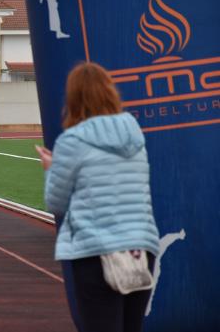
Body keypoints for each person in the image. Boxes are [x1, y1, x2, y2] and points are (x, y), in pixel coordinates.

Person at [35, 62, 160, 332]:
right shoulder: (134, 136)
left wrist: (50, 169)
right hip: (141, 247)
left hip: (95, 252)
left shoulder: (72, 141)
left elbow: (56, 203)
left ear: (73, 98)